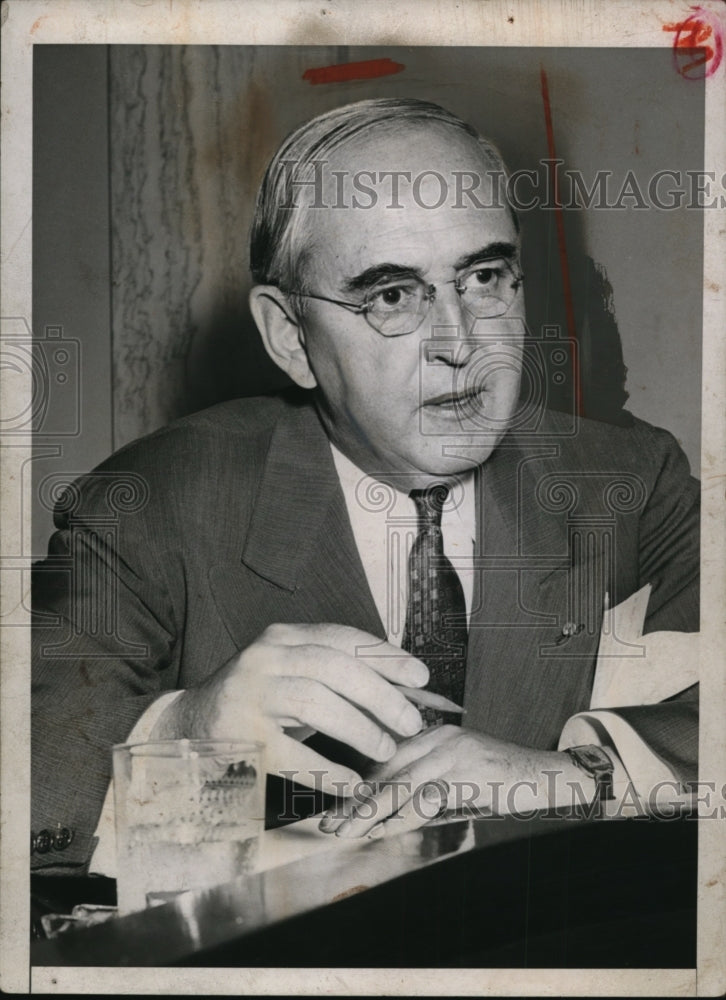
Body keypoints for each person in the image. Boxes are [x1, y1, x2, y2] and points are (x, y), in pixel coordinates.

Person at [31, 98, 699, 871]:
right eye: (391, 295)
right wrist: (184, 734)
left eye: (484, 276)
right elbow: (28, 770)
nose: (459, 343)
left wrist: (576, 775)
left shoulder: (629, 483)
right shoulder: (153, 503)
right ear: (290, 336)